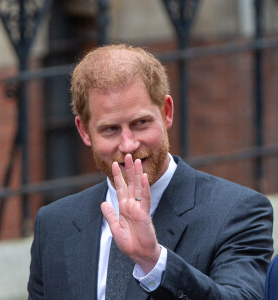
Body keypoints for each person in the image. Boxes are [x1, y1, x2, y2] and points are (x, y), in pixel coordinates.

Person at [28, 44, 273, 300]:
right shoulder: (54, 225)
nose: (129, 145)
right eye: (110, 129)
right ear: (84, 131)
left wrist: (153, 261)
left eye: (140, 123)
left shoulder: (237, 211)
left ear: (166, 113)